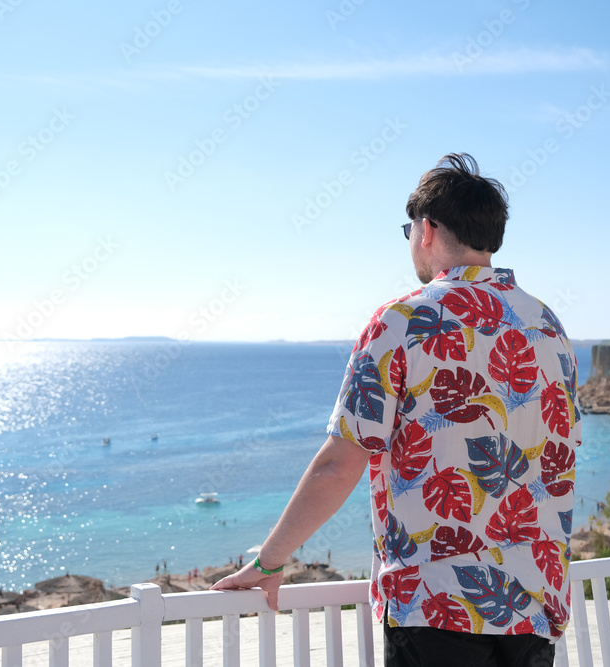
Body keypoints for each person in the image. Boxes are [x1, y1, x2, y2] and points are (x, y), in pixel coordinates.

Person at [212, 154, 581, 666]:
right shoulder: (547, 326)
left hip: (435, 606)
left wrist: (269, 560)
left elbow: (340, 462)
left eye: (409, 228)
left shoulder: (402, 323)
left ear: (426, 229)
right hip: (535, 603)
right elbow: (559, 454)